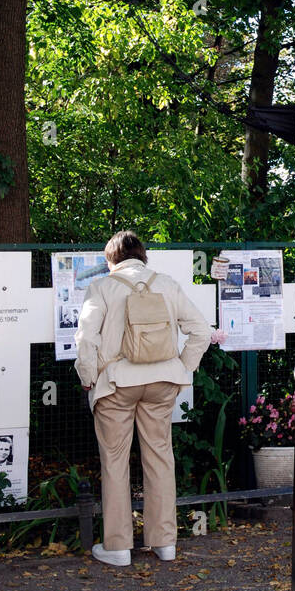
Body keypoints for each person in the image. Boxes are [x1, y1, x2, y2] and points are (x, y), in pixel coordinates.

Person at [75, 230, 225, 567]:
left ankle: (117, 547)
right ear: (143, 256)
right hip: (162, 381)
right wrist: (182, 369)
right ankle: (165, 542)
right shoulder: (167, 284)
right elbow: (200, 331)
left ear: (110, 259)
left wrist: (88, 379)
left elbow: (86, 339)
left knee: (114, 461)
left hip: (116, 383)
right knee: (160, 457)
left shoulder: (101, 287)